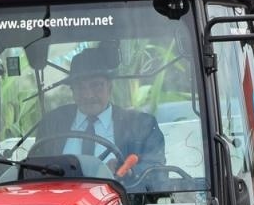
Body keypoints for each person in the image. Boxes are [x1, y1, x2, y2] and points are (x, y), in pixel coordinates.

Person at [35, 49, 166, 177]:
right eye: (80, 87)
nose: (88, 95)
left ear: (109, 87)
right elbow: (34, 169)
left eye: (96, 85)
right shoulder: (51, 124)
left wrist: (129, 171)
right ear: (72, 90)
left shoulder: (142, 125)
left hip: (122, 192)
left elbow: (157, 170)